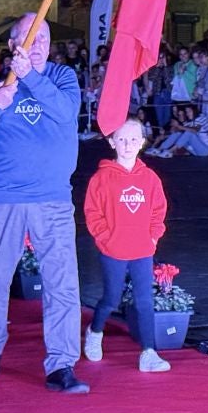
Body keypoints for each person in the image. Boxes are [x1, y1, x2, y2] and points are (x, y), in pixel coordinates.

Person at [0, 13, 88, 394]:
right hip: (2, 200)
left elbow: (65, 113)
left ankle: (61, 364)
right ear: (14, 45)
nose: (40, 43)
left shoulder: (62, 79)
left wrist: (29, 76)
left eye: (44, 36)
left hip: (52, 200)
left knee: (62, 283)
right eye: (31, 37)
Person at [83, 118, 170, 373]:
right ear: (112, 142)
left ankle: (148, 352)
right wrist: (105, 238)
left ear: (142, 142)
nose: (128, 144)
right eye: (122, 139)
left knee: (145, 302)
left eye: (134, 139)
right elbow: (92, 213)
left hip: (143, 250)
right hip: (113, 251)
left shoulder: (150, 178)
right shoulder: (102, 178)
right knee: (111, 298)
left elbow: (158, 210)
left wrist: (153, 237)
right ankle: (95, 331)